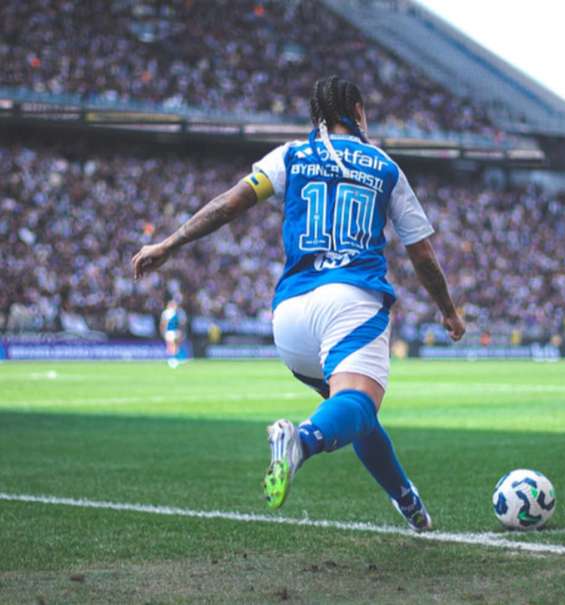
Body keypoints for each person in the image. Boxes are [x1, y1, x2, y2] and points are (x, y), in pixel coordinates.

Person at [132, 76, 465, 531]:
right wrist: (448, 309)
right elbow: (421, 254)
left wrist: (169, 243)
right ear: (357, 110)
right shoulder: (385, 166)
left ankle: (407, 500)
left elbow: (230, 204)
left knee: (350, 413)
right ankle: (301, 442)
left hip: (289, 319)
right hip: (351, 301)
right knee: (357, 404)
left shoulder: (290, 155)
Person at [159, 300, 186, 368]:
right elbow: (163, 323)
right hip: (170, 331)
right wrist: (163, 332)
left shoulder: (177, 312)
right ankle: (173, 358)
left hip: (175, 331)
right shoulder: (167, 313)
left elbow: (182, 323)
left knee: (174, 345)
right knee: (172, 345)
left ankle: (175, 358)